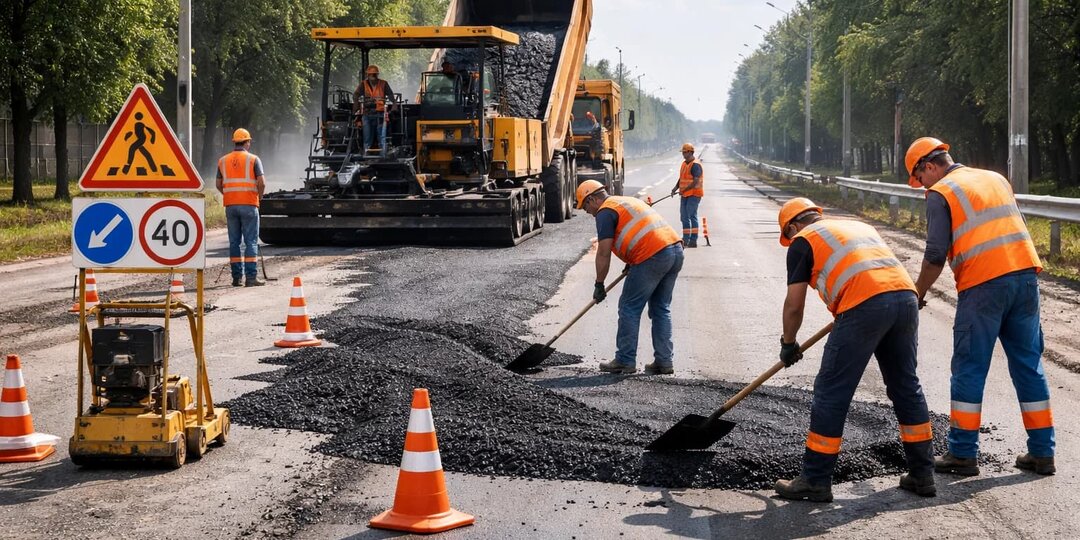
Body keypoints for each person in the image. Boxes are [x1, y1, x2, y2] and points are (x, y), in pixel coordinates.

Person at [906, 137, 1055, 476]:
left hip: (984, 285)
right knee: (1028, 365)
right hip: (1025, 279)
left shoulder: (941, 193)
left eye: (919, 179)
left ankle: (962, 453)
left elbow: (933, 256)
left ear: (929, 167)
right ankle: (1043, 453)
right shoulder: (994, 178)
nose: (921, 186)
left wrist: (916, 293)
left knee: (969, 368)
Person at [772, 197, 936, 502]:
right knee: (905, 387)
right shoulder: (856, 225)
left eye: (789, 234)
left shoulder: (802, 241)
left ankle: (816, 480)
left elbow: (794, 305)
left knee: (831, 391)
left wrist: (789, 342)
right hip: (905, 299)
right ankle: (922, 474)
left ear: (793, 226)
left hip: (865, 306)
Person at [576, 179, 684, 375]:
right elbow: (639, 233)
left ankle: (625, 360)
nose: (588, 212)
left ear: (592, 199)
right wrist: (631, 262)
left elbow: (603, 252)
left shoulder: (605, 212)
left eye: (586, 207)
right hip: (674, 250)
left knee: (628, 307)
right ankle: (664, 362)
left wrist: (599, 284)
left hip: (653, 255)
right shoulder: (624, 201)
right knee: (661, 308)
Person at [216, 128, 266, 287]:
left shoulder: (223, 160)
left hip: (231, 206)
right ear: (247, 142)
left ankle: (236, 278)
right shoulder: (253, 159)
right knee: (251, 242)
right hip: (249, 204)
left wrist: (230, 194)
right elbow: (262, 182)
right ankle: (251, 278)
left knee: (234, 242)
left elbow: (218, 184)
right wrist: (260, 196)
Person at [352, 65, 395, 153]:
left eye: (374, 74)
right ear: (367, 75)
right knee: (367, 137)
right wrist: (356, 106)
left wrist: (394, 104)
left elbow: (391, 95)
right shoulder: (363, 84)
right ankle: (367, 155)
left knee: (381, 137)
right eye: (371, 74)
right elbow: (356, 94)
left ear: (377, 75)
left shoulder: (383, 84)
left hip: (380, 113)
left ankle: (382, 156)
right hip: (367, 114)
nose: (373, 76)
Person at [670, 143, 703, 247]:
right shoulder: (684, 164)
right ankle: (685, 239)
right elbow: (682, 178)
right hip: (685, 195)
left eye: (685, 152)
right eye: (683, 152)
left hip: (694, 194)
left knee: (691, 216)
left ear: (690, 152)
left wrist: (684, 189)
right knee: (684, 217)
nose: (683, 154)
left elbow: (695, 181)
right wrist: (676, 188)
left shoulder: (696, 165)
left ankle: (693, 240)